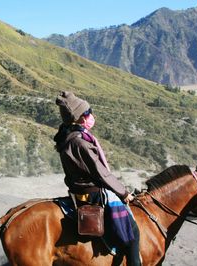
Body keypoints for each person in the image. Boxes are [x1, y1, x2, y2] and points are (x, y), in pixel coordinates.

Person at [53, 91, 141, 266]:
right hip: (93, 193)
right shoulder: (80, 142)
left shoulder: (71, 137)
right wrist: (124, 193)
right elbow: (102, 173)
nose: (91, 116)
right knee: (132, 233)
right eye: (87, 113)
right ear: (78, 118)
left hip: (79, 191)